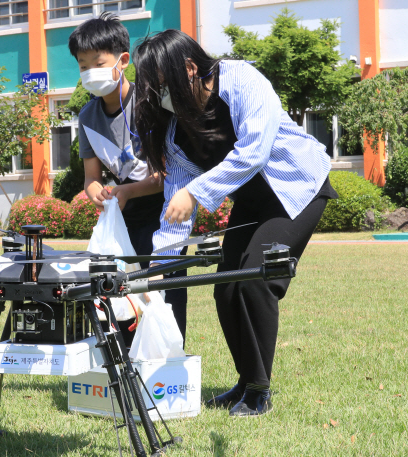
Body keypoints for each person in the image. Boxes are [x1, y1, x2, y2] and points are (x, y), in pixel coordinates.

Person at [133, 30, 337, 416]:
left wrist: (194, 192)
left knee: (256, 280)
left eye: (160, 86)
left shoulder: (241, 79)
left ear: (190, 69)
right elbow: (176, 212)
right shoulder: (178, 133)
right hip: (254, 201)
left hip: (298, 189)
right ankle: (245, 381)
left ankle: (259, 391)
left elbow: (254, 153)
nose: (158, 97)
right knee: (226, 286)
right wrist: (158, 268)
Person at [68, 12, 189, 342]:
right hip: (122, 217)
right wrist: (97, 192)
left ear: (122, 60)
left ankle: (167, 370)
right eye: (82, 65)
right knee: (120, 297)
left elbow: (168, 174)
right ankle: (125, 371)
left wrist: (125, 192)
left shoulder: (149, 103)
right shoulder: (88, 115)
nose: (89, 72)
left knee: (164, 296)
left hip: (163, 214)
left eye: (97, 61)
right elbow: (90, 178)